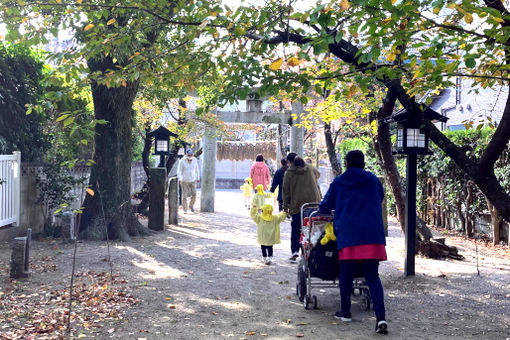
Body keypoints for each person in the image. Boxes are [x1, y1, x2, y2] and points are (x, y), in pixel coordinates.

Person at [318, 150, 388, 334]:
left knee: (346, 274)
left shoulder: (340, 181)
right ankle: (380, 318)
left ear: (347, 163)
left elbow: (325, 206)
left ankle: (345, 311)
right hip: (372, 233)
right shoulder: (373, 180)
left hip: (348, 234)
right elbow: (379, 198)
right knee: (372, 276)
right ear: (364, 164)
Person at [282, 153, 322, 262]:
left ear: (289, 162)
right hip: (314, 204)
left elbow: (285, 192)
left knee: (296, 228)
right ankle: (312, 252)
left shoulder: (289, 173)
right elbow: (318, 174)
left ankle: (295, 251)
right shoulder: (310, 168)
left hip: (298, 205)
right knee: (312, 228)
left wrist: (285, 207)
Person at [177, 149, 200, 213]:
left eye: (191, 155)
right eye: (189, 155)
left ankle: (191, 205)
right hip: (184, 180)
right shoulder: (182, 161)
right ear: (186, 155)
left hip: (193, 179)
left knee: (194, 194)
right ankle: (185, 209)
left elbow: (197, 169)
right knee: (184, 195)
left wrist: (198, 177)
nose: (190, 156)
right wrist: (180, 179)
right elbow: (179, 171)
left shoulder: (195, 160)